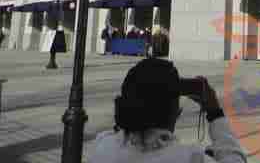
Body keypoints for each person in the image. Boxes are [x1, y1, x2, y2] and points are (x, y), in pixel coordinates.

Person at [89, 58, 246, 163]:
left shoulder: (102, 147)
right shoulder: (190, 157)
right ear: (174, 112)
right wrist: (215, 112)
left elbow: (121, 132)